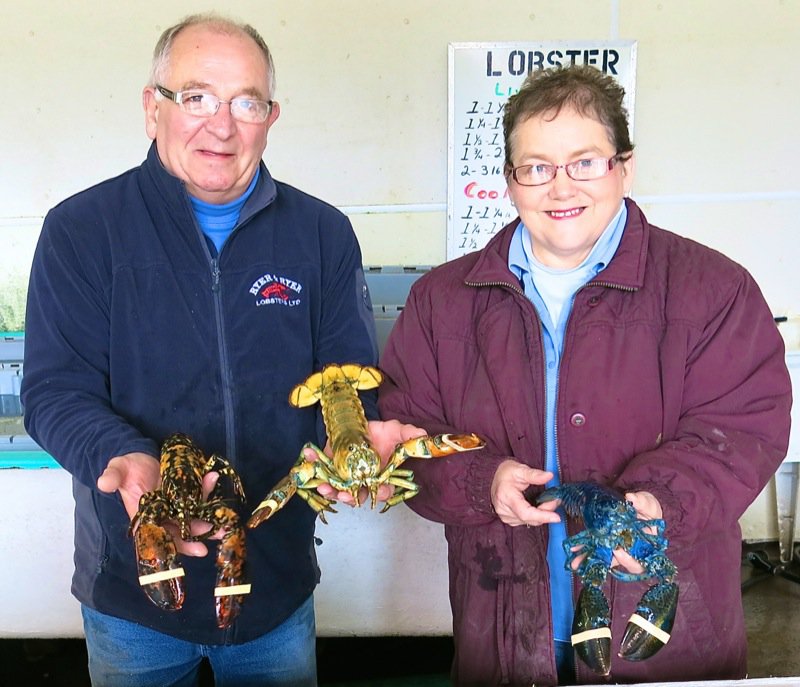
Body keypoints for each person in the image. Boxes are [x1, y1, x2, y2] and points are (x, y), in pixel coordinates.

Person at [21, 13, 417, 687]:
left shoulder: (322, 234)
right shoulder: (81, 231)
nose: (222, 124)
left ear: (271, 115)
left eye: (247, 102)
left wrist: (354, 442)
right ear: (153, 107)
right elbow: (55, 391)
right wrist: (121, 455)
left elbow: (346, 382)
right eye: (196, 97)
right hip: (134, 587)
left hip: (275, 582)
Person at [378, 64, 792, 686]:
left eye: (586, 161)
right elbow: (406, 436)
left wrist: (657, 505)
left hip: (666, 630)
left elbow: (742, 429)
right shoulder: (442, 301)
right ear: (511, 182)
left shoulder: (714, 289)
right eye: (536, 167)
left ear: (623, 166)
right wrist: (481, 481)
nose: (560, 186)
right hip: (502, 626)